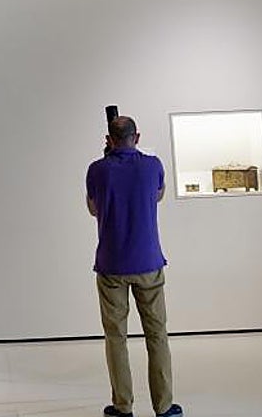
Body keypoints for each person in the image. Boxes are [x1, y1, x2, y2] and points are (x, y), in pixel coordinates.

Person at [85, 115, 182, 417]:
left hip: (112, 265)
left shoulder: (97, 170)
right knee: (157, 335)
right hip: (149, 263)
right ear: (136, 137)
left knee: (116, 338)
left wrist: (107, 162)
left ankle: (122, 406)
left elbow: (93, 209)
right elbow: (158, 196)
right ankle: (164, 407)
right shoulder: (153, 165)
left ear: (109, 139)